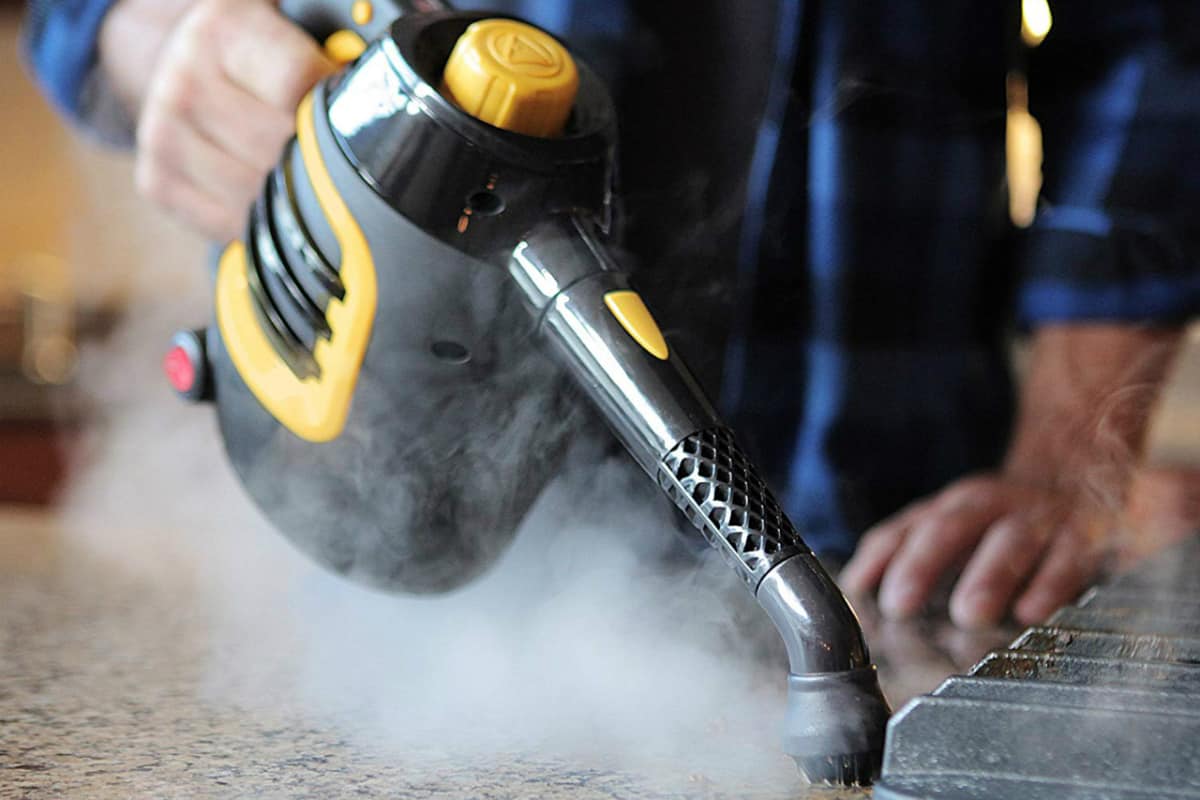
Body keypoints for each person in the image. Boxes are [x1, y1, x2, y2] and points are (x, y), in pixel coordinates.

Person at [25, 0, 1200, 628]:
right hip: (394, 571)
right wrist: (168, 35)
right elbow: (84, 15)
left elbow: (1151, 54)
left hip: (894, 564)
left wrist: (1067, 464)